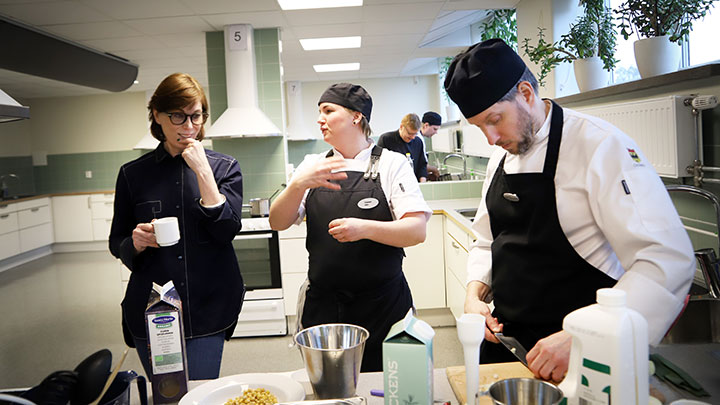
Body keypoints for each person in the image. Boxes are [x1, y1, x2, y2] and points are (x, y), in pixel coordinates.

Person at [444, 39, 695, 382]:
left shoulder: (601, 146)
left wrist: (584, 337)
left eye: (495, 120)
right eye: (479, 127)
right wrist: (474, 295)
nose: (490, 138)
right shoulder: (502, 155)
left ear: (526, 93)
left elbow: (666, 260)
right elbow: (488, 241)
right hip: (507, 347)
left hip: (580, 357)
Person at [269, 83, 431, 372]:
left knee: (388, 385)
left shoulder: (391, 164)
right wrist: (297, 183)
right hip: (324, 308)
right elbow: (277, 221)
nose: (320, 119)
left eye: (328, 111)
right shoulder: (313, 164)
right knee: (331, 389)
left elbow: (416, 230)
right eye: (319, 112)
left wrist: (364, 228)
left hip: (383, 306)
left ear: (356, 116)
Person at [109, 73, 245, 380]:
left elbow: (226, 232)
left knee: (198, 394)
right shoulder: (133, 174)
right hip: (152, 308)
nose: (189, 126)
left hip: (208, 305)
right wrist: (136, 241)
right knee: (166, 396)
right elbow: (117, 241)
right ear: (157, 116)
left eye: (196, 116)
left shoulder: (225, 167)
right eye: (178, 116)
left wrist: (203, 171)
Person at [377, 113, 429, 182]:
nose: (412, 137)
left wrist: (422, 183)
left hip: (412, 184)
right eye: (409, 133)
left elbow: (422, 165)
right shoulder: (386, 139)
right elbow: (379, 165)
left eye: (415, 134)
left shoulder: (418, 141)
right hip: (392, 183)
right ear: (401, 127)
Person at [418, 111, 442, 181]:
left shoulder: (420, 138)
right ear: (426, 125)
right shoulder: (417, 139)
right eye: (434, 129)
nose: (436, 132)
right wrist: (434, 169)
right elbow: (419, 165)